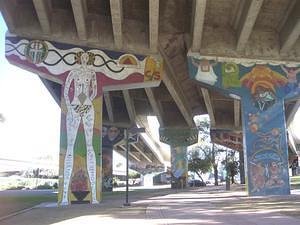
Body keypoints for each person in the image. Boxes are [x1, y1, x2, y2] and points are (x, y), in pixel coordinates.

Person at [61, 52, 98, 205]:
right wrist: (70, 106)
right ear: (79, 58)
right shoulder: (73, 72)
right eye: (81, 57)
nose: (83, 59)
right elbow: (66, 89)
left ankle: (94, 195)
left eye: (86, 57)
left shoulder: (92, 72)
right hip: (75, 106)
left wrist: (88, 100)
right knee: (70, 146)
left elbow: (94, 90)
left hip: (87, 106)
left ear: (88, 59)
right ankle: (64, 197)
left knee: (90, 146)